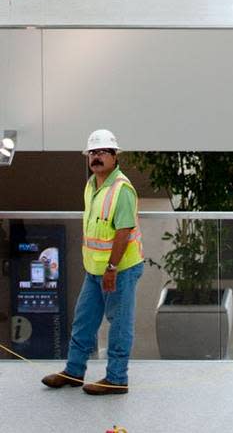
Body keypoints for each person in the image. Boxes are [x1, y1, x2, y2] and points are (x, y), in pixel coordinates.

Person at [42, 128, 144, 397]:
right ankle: (74, 371)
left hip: (119, 269)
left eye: (103, 152)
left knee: (119, 323)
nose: (97, 157)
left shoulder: (121, 190)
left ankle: (117, 378)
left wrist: (111, 268)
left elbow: (123, 232)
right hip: (94, 269)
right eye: (93, 152)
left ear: (115, 157)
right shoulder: (91, 185)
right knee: (84, 321)